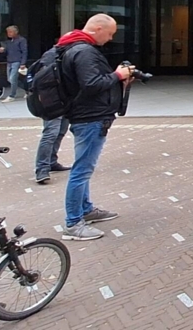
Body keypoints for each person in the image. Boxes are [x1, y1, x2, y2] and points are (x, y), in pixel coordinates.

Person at [58, 14, 133, 240]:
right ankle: (73, 223)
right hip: (89, 117)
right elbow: (91, 84)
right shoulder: (84, 52)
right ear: (97, 29)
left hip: (86, 116)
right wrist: (118, 75)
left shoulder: (71, 46)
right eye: (109, 34)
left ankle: (86, 210)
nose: (110, 39)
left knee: (83, 168)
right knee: (82, 170)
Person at [0, 25, 27, 102]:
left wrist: (23, 63)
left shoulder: (21, 40)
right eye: (8, 32)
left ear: (16, 32)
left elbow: (24, 52)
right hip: (9, 61)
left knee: (12, 78)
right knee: (11, 79)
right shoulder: (9, 41)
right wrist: (3, 50)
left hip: (17, 61)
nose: (9, 34)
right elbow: (7, 51)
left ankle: (12, 95)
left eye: (10, 32)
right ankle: (27, 88)